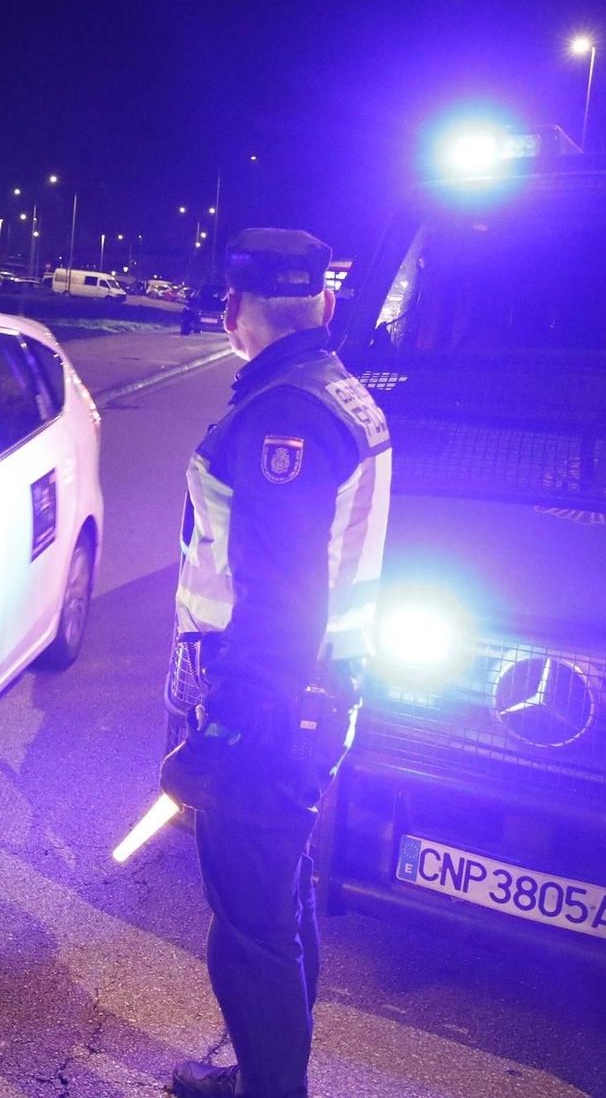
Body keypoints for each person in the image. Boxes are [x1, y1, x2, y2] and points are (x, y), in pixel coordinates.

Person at [162, 228, 393, 1098]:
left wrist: (219, 732)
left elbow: (284, 601)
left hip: (270, 710)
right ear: (325, 306)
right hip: (314, 699)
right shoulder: (335, 391)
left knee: (250, 929)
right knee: (283, 906)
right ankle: (269, 1074)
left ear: (233, 311)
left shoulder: (283, 416)